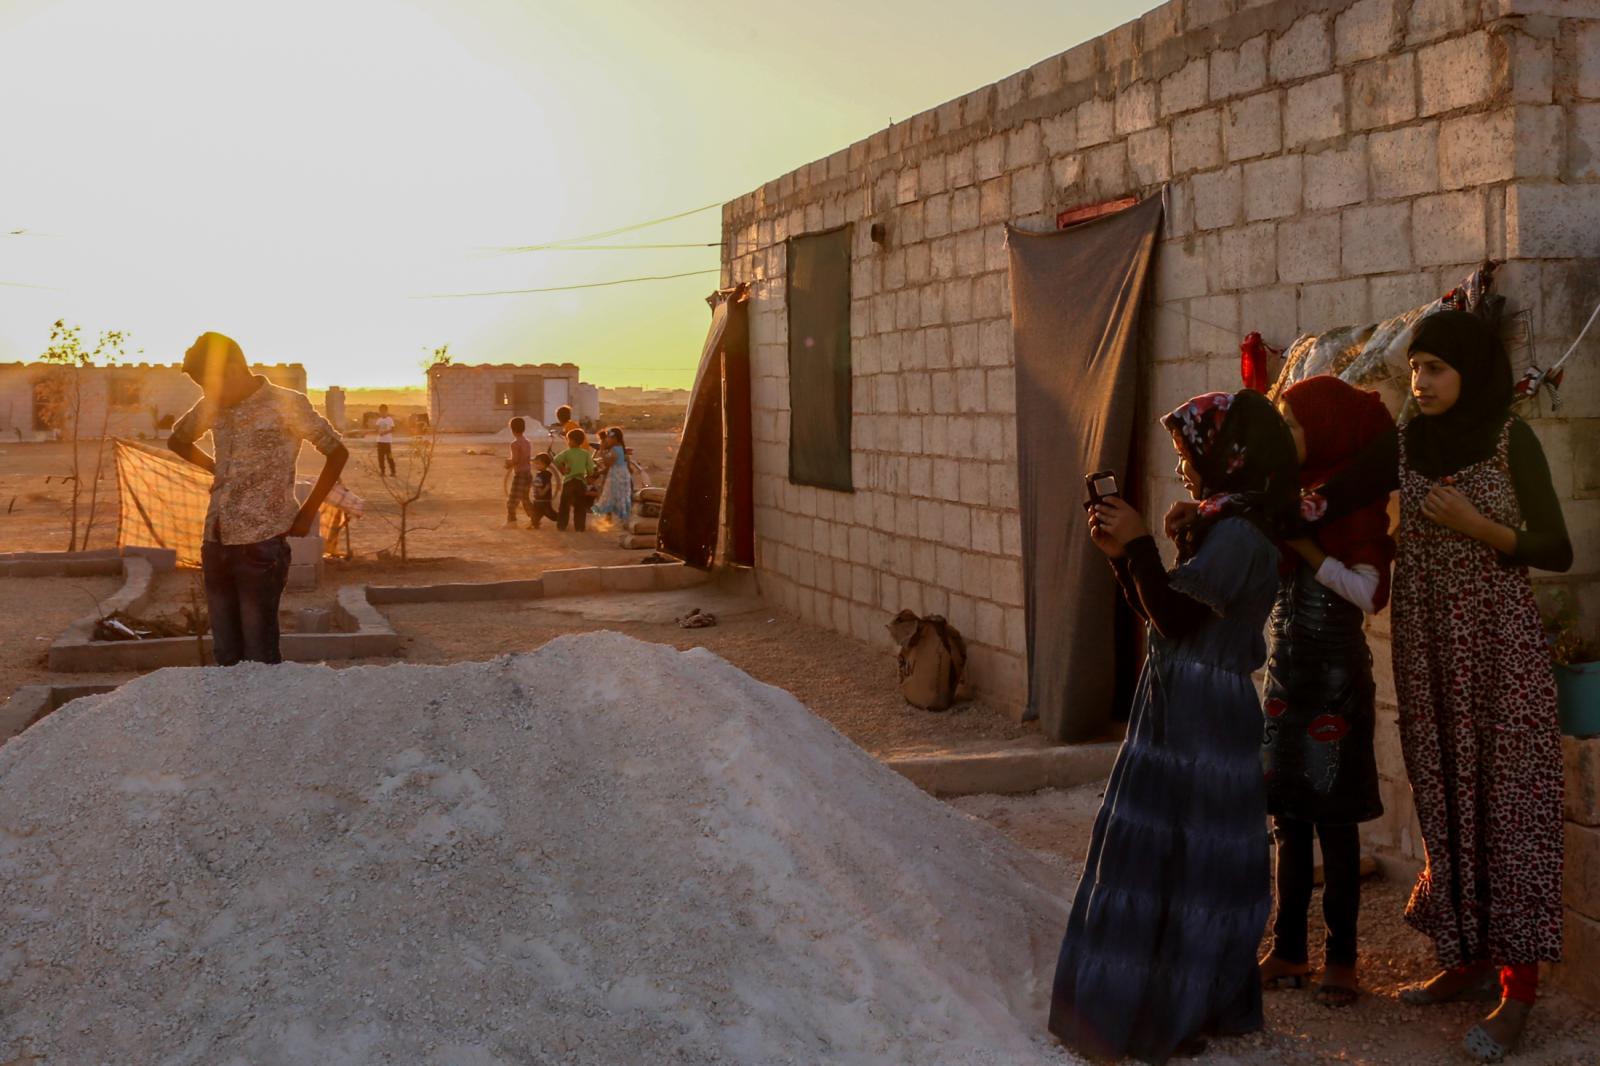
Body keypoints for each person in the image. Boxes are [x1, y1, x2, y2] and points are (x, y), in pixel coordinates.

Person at [1296, 311, 1572, 1062]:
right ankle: (1466, 957)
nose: (1421, 382)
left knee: (1507, 803)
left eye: (1436, 370)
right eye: (1415, 369)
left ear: (1472, 372)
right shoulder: (1412, 442)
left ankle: (1518, 994)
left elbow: (1556, 545)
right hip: (1428, 650)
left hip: (1499, 654)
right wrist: (1293, 500)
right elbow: (1345, 488)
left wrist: (1480, 526)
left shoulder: (1514, 441)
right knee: (1446, 792)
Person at [1050, 389, 1297, 1064]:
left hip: (1204, 716)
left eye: (1191, 453)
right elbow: (1165, 611)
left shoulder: (1242, 535)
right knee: (1167, 858)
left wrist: (1139, 547)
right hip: (1177, 701)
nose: (1185, 467)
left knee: (1192, 864)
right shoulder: (1225, 522)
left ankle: (1176, 1010)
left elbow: (1180, 618)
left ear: (1234, 457)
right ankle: (1156, 1006)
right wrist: (1122, 554)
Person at [1258, 376, 1396, 1010]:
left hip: (1336, 681)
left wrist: (1310, 553)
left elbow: (1369, 594)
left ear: (1328, 427)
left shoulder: (1354, 506)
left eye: (1293, 423)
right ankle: (1289, 947)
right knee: (1288, 817)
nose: (1285, 436)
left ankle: (1342, 959)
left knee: (1336, 825)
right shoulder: (1294, 497)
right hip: (1287, 676)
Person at [167, 331, 347, 666]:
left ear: (234, 369)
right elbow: (177, 441)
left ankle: (264, 715)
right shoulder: (212, 405)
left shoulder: (287, 404)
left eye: (211, 383)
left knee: (258, 654)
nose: (208, 394)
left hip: (262, 545)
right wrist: (215, 468)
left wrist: (307, 513)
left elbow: (337, 453)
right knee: (225, 653)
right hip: (215, 540)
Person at [553, 426, 597, 532]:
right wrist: (589, 475)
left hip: (568, 482)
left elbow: (555, 460)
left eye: (568, 440)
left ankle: (562, 526)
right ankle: (580, 527)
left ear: (571, 441)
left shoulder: (567, 452)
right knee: (580, 506)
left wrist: (563, 470)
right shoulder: (585, 454)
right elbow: (591, 469)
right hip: (580, 482)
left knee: (564, 505)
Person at [591, 426, 633, 525]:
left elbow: (608, 463)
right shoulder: (620, 448)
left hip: (616, 475)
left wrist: (601, 451)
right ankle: (618, 518)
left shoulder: (615, 450)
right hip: (620, 474)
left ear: (615, 438)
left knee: (610, 495)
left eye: (608, 438)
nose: (607, 441)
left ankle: (613, 518)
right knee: (618, 496)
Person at [505, 417, 536, 528]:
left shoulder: (515, 444)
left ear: (512, 429)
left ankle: (512, 522)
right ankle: (535, 520)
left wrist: (508, 463)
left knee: (512, 501)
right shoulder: (527, 442)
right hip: (528, 474)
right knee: (525, 499)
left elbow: (516, 460)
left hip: (520, 475)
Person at [529, 452, 560, 529]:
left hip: (544, 500)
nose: (536, 465)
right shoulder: (539, 474)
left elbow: (547, 485)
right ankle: (534, 524)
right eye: (536, 463)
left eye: (538, 463)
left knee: (550, 514)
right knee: (535, 514)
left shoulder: (546, 474)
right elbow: (537, 483)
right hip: (537, 500)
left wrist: (542, 492)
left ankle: (561, 519)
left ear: (545, 465)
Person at [374, 403, 396, 476]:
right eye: (381, 411)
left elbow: (393, 429)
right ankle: (382, 471)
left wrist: (385, 432)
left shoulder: (390, 419)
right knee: (380, 457)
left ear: (386, 411)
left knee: (389, 457)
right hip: (380, 441)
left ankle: (393, 471)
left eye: (384, 411)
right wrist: (379, 432)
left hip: (387, 442)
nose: (382, 412)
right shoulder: (379, 420)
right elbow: (376, 429)